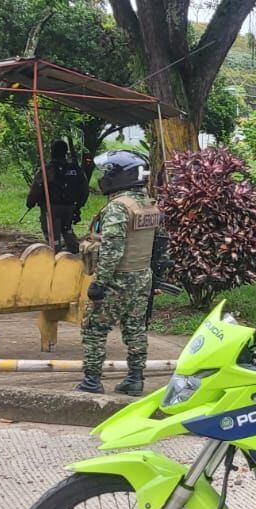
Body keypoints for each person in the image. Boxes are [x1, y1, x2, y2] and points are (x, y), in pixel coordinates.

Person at [76, 151, 161, 396]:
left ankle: (92, 381)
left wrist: (99, 283)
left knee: (94, 329)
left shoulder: (118, 208)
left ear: (120, 175)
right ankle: (135, 379)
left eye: (108, 172)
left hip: (118, 279)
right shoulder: (148, 204)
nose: (105, 178)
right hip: (141, 276)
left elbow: (113, 248)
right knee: (135, 328)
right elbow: (158, 243)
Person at [26, 140, 89, 253]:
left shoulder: (48, 169)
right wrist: (78, 206)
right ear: (66, 152)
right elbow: (84, 189)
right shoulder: (75, 169)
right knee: (67, 229)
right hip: (70, 207)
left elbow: (37, 187)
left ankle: (56, 257)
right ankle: (75, 253)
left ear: (52, 152)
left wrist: (30, 202)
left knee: (53, 235)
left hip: (51, 208)